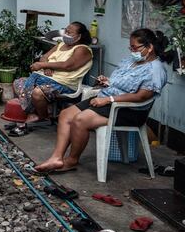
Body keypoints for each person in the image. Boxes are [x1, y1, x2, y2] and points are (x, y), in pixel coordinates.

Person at [34, 29, 171, 174]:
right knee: (66, 114)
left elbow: (141, 97)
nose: (132, 51)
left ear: (149, 47)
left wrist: (109, 99)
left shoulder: (155, 70)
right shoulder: (131, 61)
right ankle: (57, 157)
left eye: (135, 48)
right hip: (106, 99)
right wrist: (108, 82)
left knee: (80, 120)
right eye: (130, 47)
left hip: (128, 109)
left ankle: (72, 160)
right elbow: (122, 83)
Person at [9, 22, 94, 135]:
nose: (66, 34)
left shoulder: (83, 49)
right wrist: (46, 67)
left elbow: (68, 65)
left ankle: (40, 116)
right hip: (44, 77)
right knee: (18, 83)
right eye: (66, 31)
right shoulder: (60, 45)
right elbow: (44, 57)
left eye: (70, 32)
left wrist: (44, 65)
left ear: (79, 36)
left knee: (38, 93)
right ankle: (34, 113)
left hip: (64, 84)